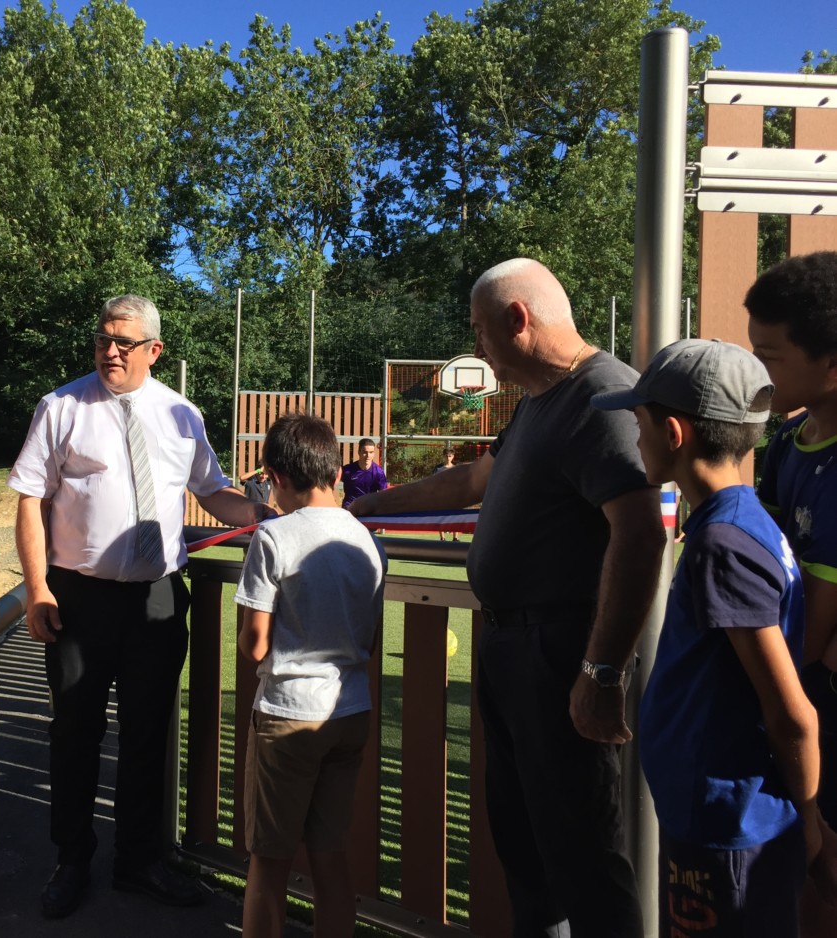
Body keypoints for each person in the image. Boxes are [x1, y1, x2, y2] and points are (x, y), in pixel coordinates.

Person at [350, 258, 666, 937]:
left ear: (517, 320)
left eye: (479, 330)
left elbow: (640, 537)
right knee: (526, 849)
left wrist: (601, 670)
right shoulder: (539, 402)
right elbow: (469, 481)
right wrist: (366, 506)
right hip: (512, 649)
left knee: (582, 855)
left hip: (559, 655)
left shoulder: (602, 398)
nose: (477, 347)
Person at [9, 294, 271, 919]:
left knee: (149, 731)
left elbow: (212, 490)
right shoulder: (62, 405)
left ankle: (137, 861)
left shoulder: (181, 413)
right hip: (79, 596)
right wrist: (38, 587)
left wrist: (267, 517)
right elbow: (27, 499)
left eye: (124, 342)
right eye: (103, 339)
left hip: (157, 598)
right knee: (76, 729)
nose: (110, 351)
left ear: (155, 349)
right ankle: (72, 857)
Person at [594, 338, 837, 934]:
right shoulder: (737, 521)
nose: (636, 437)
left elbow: (792, 713)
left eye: (639, 421)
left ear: (673, 433)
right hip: (714, 818)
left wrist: (810, 819)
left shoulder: (722, 545)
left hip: (730, 827)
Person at [234, 414, 386, 938]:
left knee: (268, 861)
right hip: (350, 711)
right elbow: (369, 641)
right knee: (329, 854)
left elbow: (254, 644)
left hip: (288, 716)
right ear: (334, 470)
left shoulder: (274, 536)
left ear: (274, 477)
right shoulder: (366, 540)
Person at [747, 250, 837, 937]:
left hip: (811, 693)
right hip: (798, 688)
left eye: (770, 357)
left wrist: (762, 686)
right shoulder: (786, 441)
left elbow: (815, 616)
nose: (757, 374)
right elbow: (770, 565)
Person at [340, 438, 388, 508]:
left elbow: (384, 495)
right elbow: (330, 483)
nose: (368, 456)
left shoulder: (378, 472)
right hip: (350, 508)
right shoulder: (347, 470)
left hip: (369, 509)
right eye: (365, 452)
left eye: (371, 452)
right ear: (359, 452)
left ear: (374, 453)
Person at [431, 448, 460, 541]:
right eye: (446, 456)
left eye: (450, 456)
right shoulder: (438, 469)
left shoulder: (457, 469)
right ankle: (442, 538)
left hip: (454, 497)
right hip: (441, 496)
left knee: (455, 517)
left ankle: (455, 538)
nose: (448, 458)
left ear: (453, 457)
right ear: (443, 456)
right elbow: (432, 482)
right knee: (441, 517)